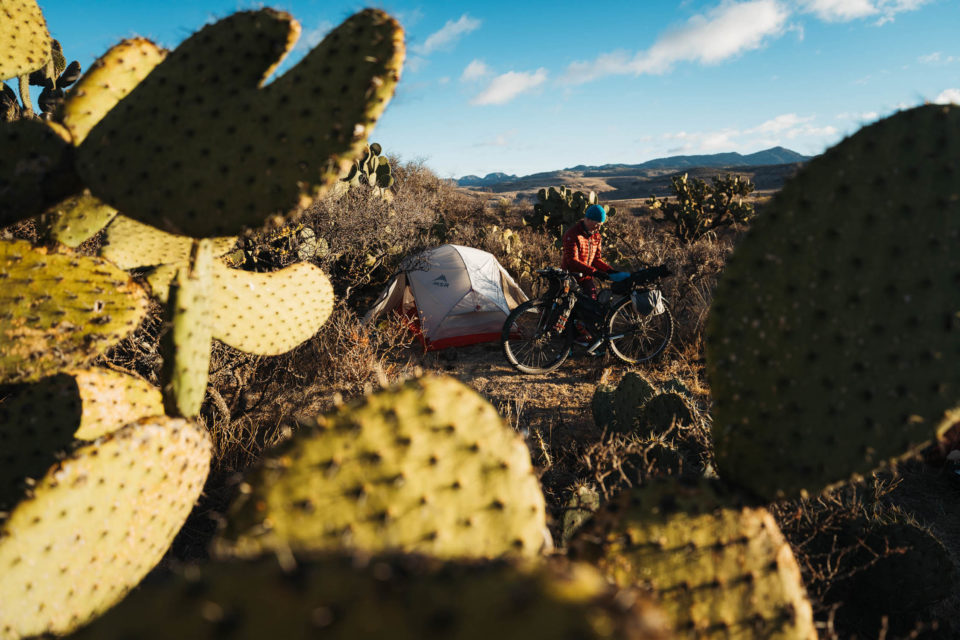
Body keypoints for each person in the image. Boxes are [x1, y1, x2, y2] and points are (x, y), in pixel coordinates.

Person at [561, 204, 628, 346]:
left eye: (601, 225)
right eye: (597, 224)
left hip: (586, 277)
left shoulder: (596, 236)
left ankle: (586, 337)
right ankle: (568, 339)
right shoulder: (572, 234)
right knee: (570, 309)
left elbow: (596, 259)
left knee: (592, 307)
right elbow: (572, 261)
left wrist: (609, 271)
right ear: (588, 219)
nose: (599, 228)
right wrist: (595, 272)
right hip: (570, 277)